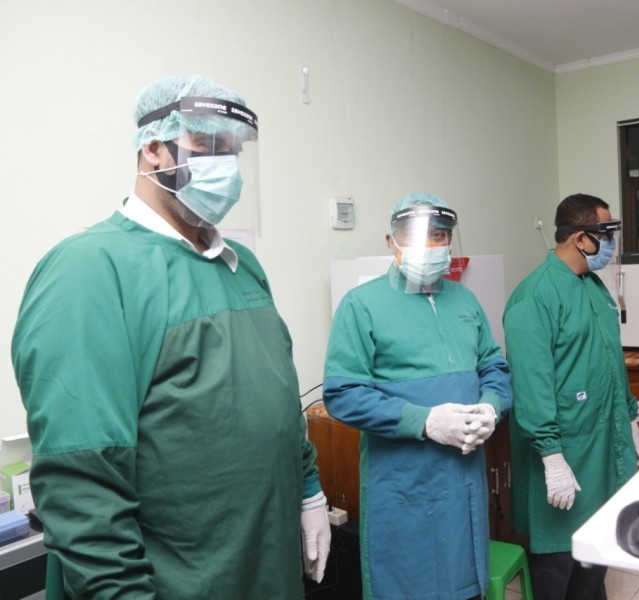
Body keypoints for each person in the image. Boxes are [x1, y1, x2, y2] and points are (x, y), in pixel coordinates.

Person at [11, 75, 331, 599]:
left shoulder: (240, 265)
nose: (226, 165)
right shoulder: (90, 270)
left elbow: (276, 401)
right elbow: (83, 485)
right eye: (208, 146)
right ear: (154, 148)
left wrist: (309, 489)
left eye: (234, 150)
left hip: (265, 571)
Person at [323, 192, 513, 600]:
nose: (431, 246)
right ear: (391, 242)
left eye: (440, 235)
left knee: (467, 584)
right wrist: (424, 421)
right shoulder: (362, 305)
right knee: (409, 585)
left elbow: (494, 368)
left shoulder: (464, 300)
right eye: (418, 237)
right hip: (404, 486)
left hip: (463, 484)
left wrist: (492, 407)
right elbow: (342, 394)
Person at [503, 193, 639, 600]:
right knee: (557, 568)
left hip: (601, 446)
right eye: (607, 233)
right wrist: (551, 457)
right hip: (564, 454)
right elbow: (531, 385)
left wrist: (630, 418)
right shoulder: (535, 296)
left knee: (592, 566)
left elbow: (610, 363)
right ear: (583, 238)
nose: (612, 245)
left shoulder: (594, 287)